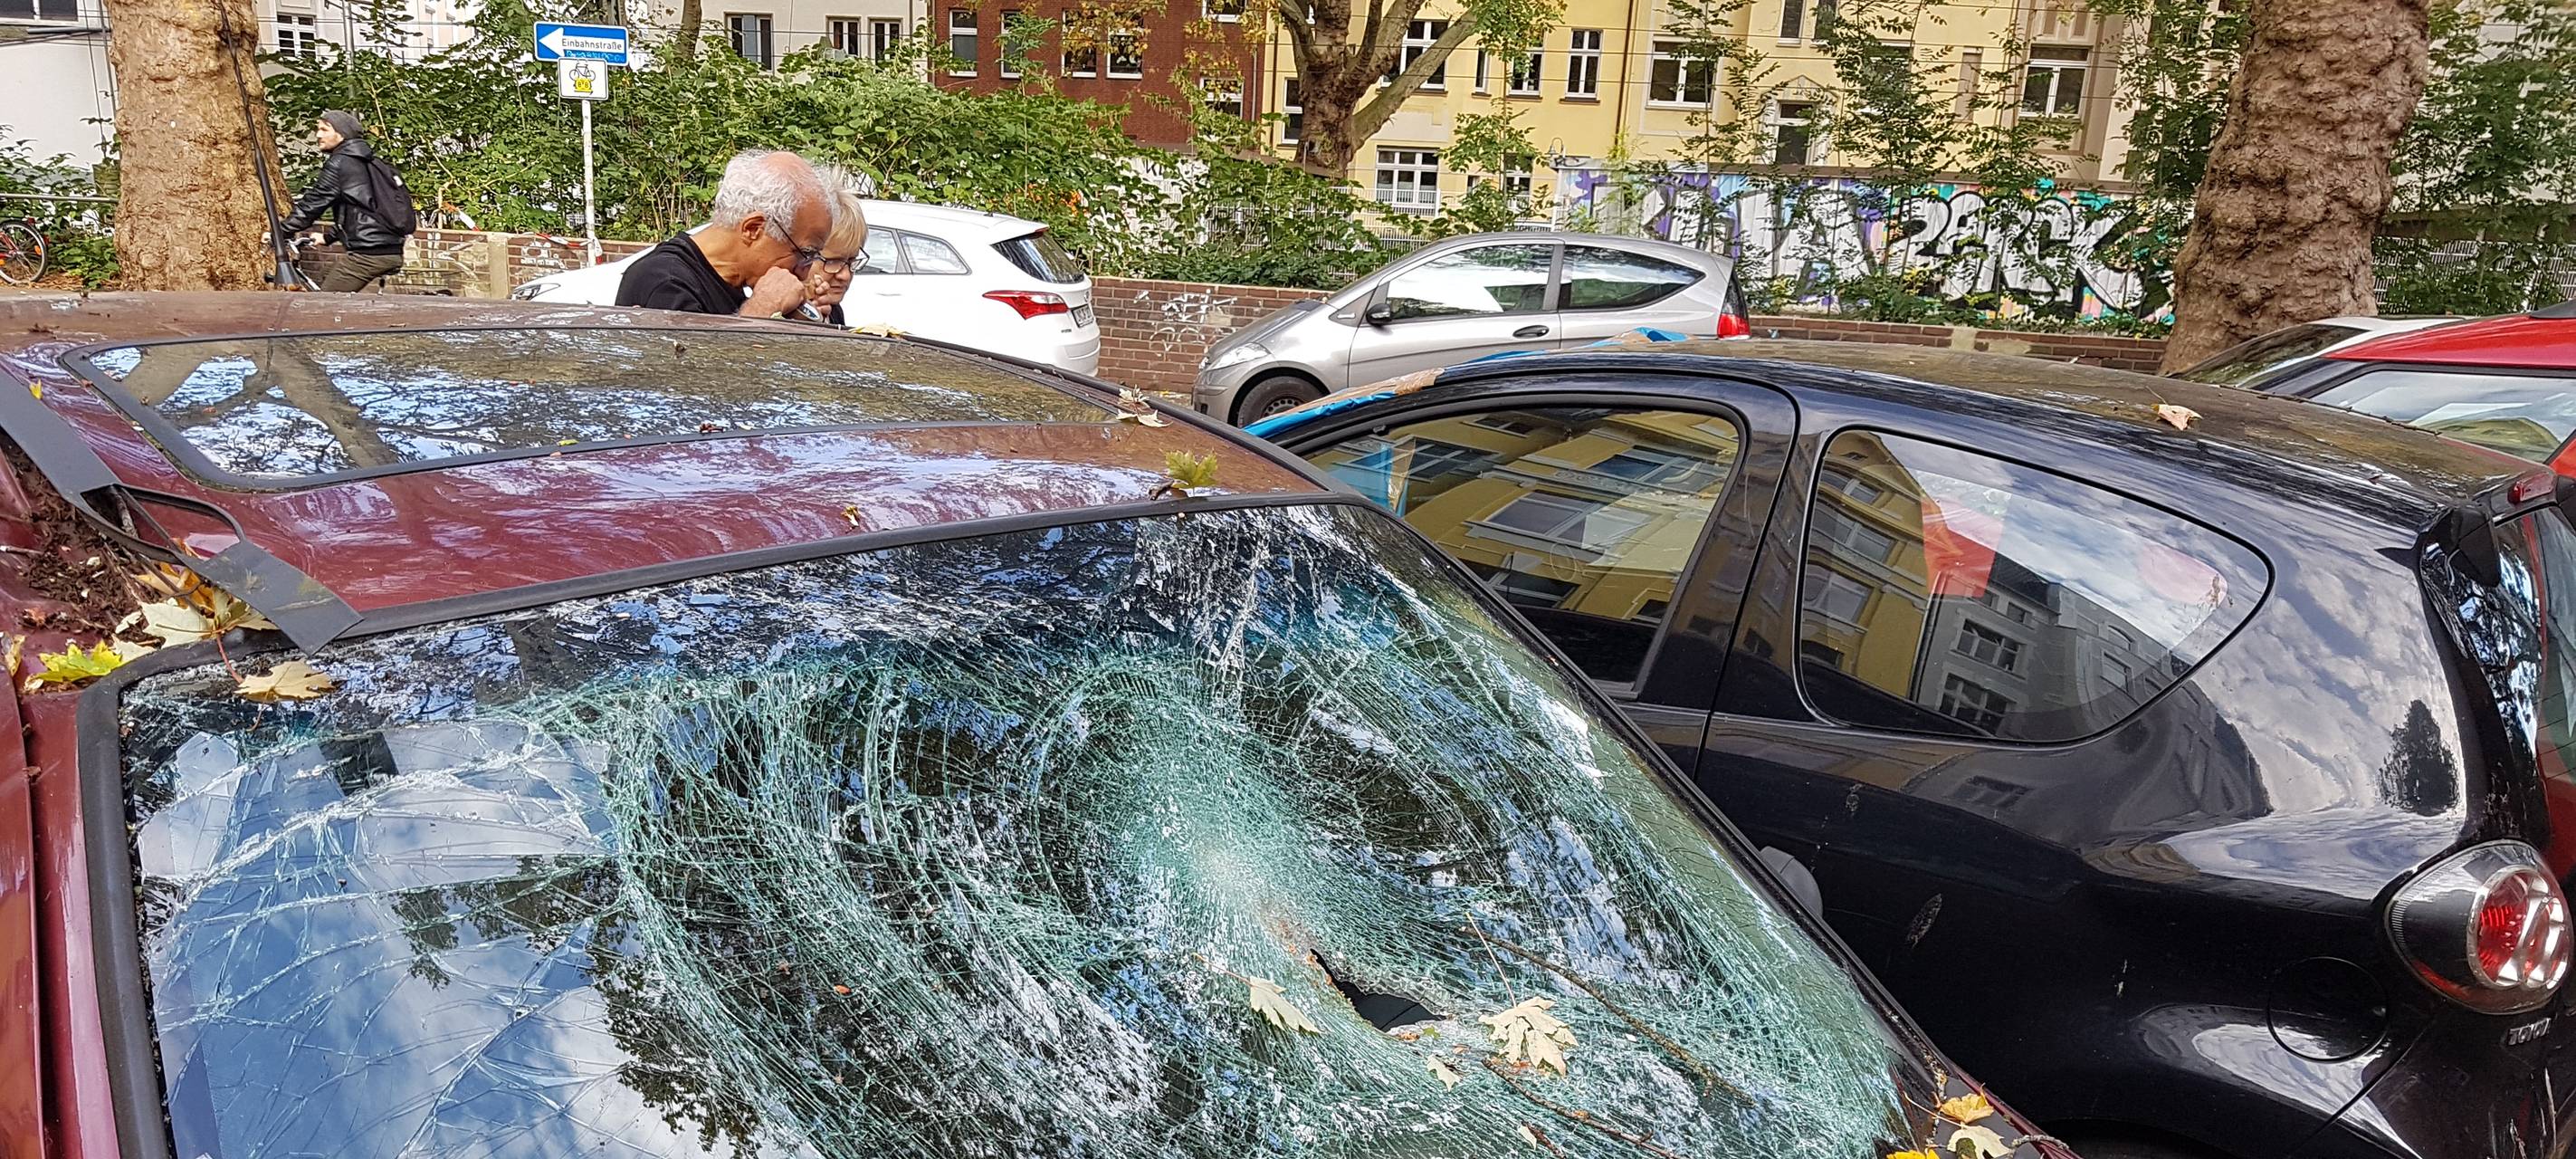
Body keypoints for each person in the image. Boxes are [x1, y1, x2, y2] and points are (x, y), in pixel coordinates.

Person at [616, 149, 829, 318]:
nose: (805, 272)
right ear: (753, 229)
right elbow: (697, 370)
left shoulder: (729, 285)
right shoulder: (664, 281)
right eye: (805, 253)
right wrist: (763, 307)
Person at [278, 110, 407, 292]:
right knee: (332, 292)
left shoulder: (340, 163)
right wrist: (328, 237)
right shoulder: (373, 163)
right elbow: (361, 209)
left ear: (342, 133)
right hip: (390, 248)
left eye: (324, 129)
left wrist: (280, 231)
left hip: (369, 255)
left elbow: (314, 203)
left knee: (324, 308)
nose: (318, 135)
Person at [798, 169, 871, 326]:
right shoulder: (775, 314)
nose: (845, 275)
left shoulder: (834, 311)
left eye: (852, 260)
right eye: (832, 262)